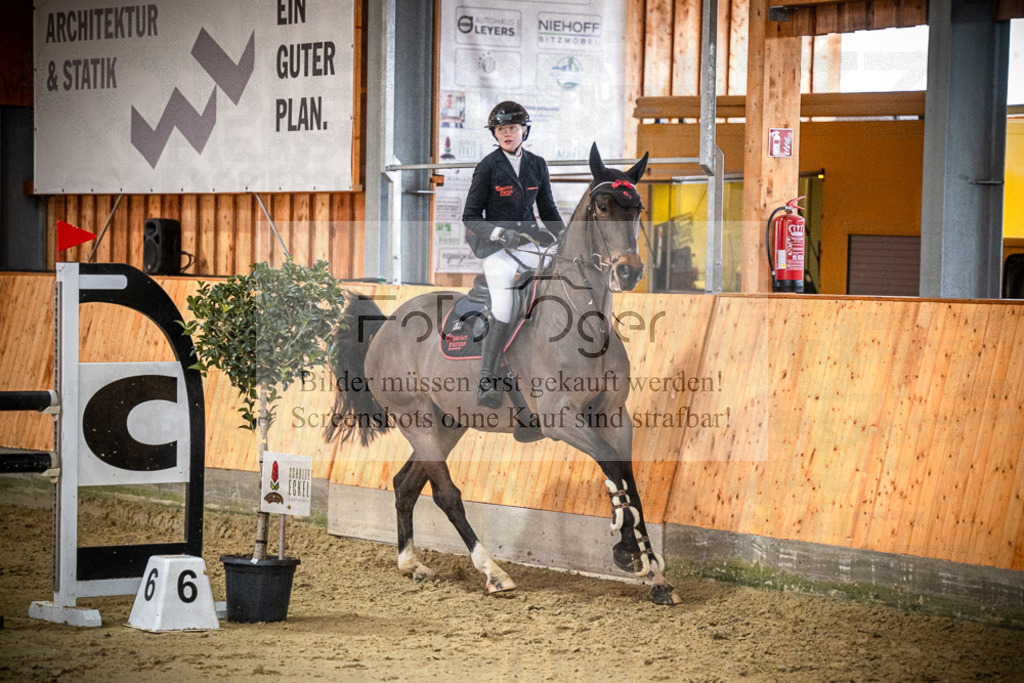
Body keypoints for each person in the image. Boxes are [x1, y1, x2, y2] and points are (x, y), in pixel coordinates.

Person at [462, 100, 566, 409]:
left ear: (524, 130)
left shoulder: (537, 164)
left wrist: (564, 237)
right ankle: (487, 379)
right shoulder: (487, 167)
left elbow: (547, 210)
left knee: (562, 275)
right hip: (498, 249)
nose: (507, 134)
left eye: (512, 128)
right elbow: (470, 216)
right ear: (495, 133)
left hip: (530, 244)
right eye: (501, 129)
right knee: (505, 305)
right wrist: (496, 232)